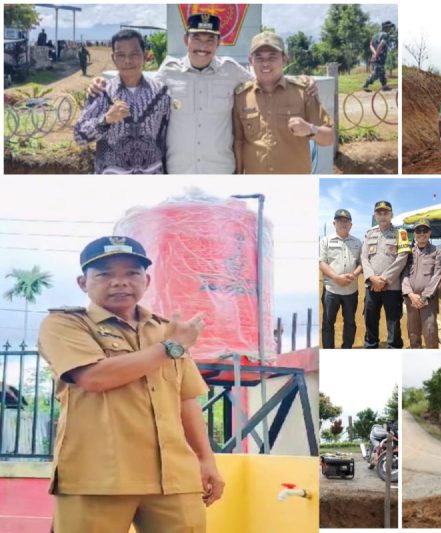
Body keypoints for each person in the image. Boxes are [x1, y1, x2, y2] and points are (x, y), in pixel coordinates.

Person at [37, 236, 224, 533]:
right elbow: (95, 377)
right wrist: (168, 348)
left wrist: (205, 459)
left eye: (131, 273)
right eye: (105, 274)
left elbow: (186, 399)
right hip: (98, 478)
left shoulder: (167, 330)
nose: (120, 282)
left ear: (146, 280)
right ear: (82, 283)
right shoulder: (65, 325)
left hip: (174, 478)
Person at [88, 14, 317, 174]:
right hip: (178, 170)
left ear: (219, 43)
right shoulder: (168, 71)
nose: (203, 46)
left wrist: (300, 80)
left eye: (210, 40)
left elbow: (265, 78)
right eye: (196, 38)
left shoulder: (231, 70)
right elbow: (138, 83)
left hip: (221, 170)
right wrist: (101, 83)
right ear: (186, 40)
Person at [233, 31, 333, 174]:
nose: (265, 63)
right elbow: (239, 142)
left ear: (284, 59)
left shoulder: (304, 92)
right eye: (259, 57)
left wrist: (311, 129)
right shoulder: (241, 96)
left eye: (272, 57)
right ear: (250, 61)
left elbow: (329, 138)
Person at [74, 29, 170, 174]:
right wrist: (105, 120)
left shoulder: (162, 93)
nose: (127, 61)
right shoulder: (102, 92)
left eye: (134, 54)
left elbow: (167, 139)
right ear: (113, 58)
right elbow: (79, 136)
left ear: (145, 55)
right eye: (121, 55)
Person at [361, 201, 411, 348]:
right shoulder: (370, 233)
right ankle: (371, 345)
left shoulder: (400, 234)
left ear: (391, 214)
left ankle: (394, 347)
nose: (382, 215)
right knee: (370, 319)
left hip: (392, 287)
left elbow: (402, 258)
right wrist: (372, 278)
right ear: (375, 215)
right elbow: (364, 258)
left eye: (386, 212)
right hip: (372, 286)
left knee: (393, 322)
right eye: (379, 212)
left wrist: (384, 279)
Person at [319, 209, 362, 349]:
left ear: (351, 224)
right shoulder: (325, 241)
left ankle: (346, 348)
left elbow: (362, 263)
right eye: (340, 221)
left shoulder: (357, 242)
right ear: (334, 223)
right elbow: (321, 262)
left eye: (346, 221)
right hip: (332, 290)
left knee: (350, 322)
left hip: (351, 290)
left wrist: (354, 275)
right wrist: (336, 277)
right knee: (328, 323)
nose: (343, 223)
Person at [400, 219, 441, 348]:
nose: (421, 233)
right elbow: (403, 274)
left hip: (428, 301)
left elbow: (438, 275)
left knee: (430, 331)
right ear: (414, 233)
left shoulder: (438, 252)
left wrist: (424, 297)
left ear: (429, 232)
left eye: (425, 230)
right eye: (418, 231)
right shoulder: (408, 253)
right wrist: (410, 294)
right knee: (413, 332)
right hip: (411, 300)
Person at [362, 20, 394, 92]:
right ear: (385, 28)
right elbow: (381, 44)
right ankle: (365, 84)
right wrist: (376, 55)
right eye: (389, 27)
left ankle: (384, 86)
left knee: (382, 72)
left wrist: (374, 53)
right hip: (379, 58)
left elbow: (370, 45)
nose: (390, 29)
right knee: (376, 73)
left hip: (375, 57)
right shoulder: (386, 35)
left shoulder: (375, 35)